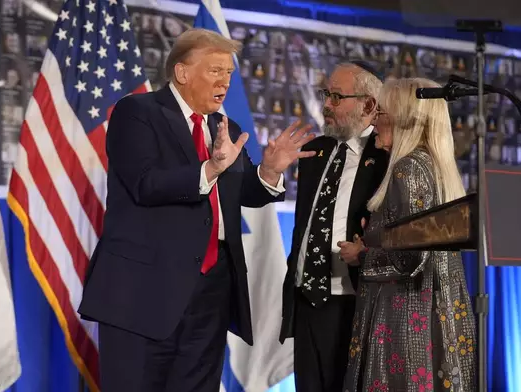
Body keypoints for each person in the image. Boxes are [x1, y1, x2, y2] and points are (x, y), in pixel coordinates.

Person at [77, 28, 315, 392]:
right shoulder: (137, 112)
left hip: (212, 291)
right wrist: (212, 168)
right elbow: (146, 183)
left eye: (229, 73)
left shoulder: (226, 127)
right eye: (215, 70)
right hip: (144, 290)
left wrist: (269, 170)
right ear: (183, 72)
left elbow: (241, 191)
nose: (225, 82)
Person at [342, 77, 476, 391]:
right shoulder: (431, 164)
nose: (373, 121)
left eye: (381, 113)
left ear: (405, 122)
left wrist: (361, 254)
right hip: (432, 305)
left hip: (408, 313)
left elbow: (412, 256)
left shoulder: (409, 169)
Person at [280, 61, 389, 392]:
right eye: (326, 94)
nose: (326, 104)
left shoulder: (386, 157)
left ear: (368, 105)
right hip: (307, 299)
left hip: (354, 303)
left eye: (336, 97)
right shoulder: (315, 150)